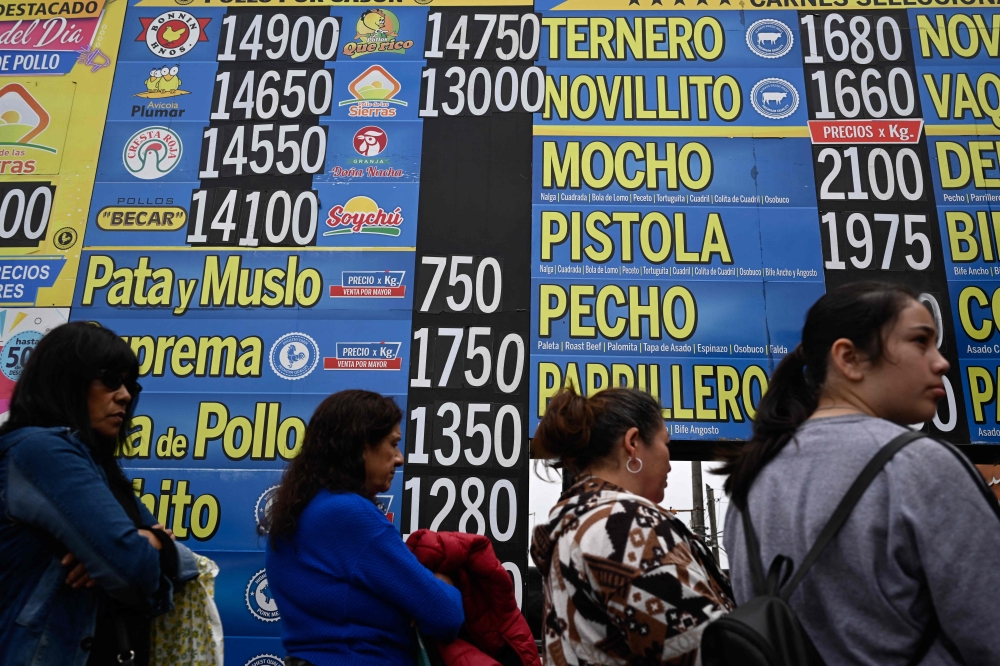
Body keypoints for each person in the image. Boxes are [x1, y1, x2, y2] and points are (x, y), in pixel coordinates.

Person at [722, 281, 1000, 664]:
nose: (941, 362)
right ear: (849, 358)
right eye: (920, 342)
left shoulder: (750, 484)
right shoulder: (919, 467)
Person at [0, 321, 197, 666]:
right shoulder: (41, 450)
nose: (123, 395)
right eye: (109, 380)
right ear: (65, 381)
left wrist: (144, 544)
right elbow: (133, 569)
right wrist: (141, 546)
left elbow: (181, 563)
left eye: (130, 385)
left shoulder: (99, 467)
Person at [530, 387, 734, 665]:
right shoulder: (622, 526)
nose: (670, 464)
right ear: (633, 442)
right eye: (666, 444)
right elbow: (710, 651)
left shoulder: (578, 525)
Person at [263, 389, 464, 666]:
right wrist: (445, 583)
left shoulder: (304, 509)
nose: (400, 458)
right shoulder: (351, 515)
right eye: (393, 444)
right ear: (361, 446)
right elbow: (445, 615)